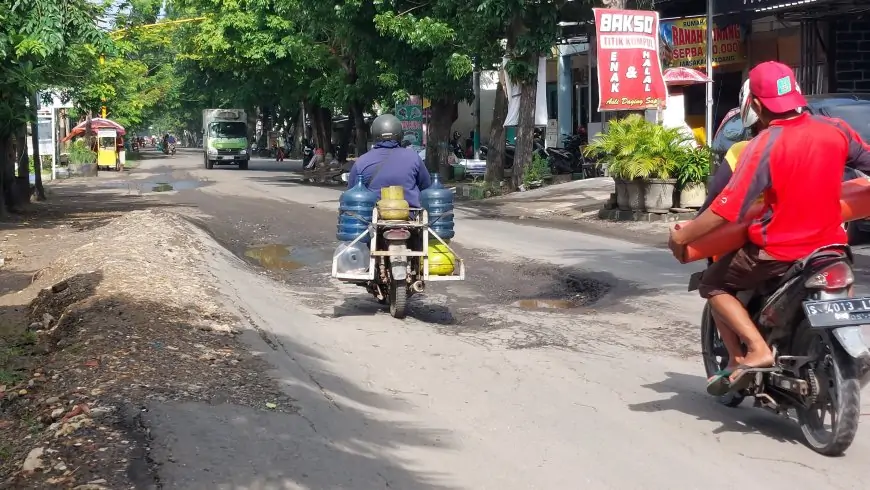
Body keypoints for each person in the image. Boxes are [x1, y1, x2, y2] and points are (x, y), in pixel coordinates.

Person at [669, 61, 870, 394]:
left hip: (777, 251)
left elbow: (725, 209)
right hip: (832, 247)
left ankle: (751, 350)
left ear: (757, 106)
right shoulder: (836, 129)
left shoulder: (763, 145)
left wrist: (683, 235)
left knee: (712, 284)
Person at [346, 113, 431, 208]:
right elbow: (426, 187)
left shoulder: (361, 162)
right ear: (401, 135)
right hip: (410, 217)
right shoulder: (413, 157)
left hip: (371, 218)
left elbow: (351, 194)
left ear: (374, 135)